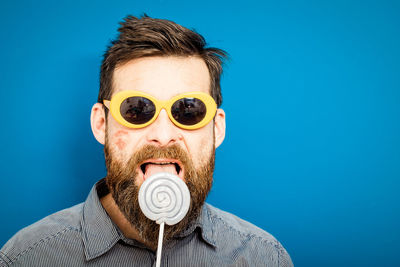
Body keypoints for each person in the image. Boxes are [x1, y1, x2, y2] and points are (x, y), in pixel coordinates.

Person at [0, 15, 293, 266]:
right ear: (101, 123)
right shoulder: (26, 257)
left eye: (188, 111)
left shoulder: (264, 257)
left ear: (217, 128)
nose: (163, 136)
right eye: (136, 110)